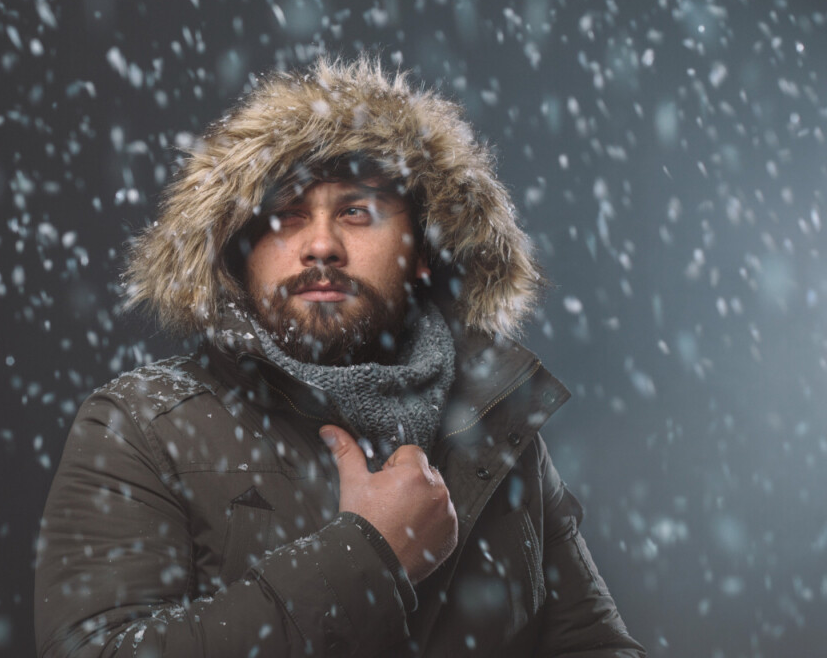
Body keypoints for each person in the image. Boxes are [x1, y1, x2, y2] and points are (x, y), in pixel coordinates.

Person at [34, 57, 645, 656]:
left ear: (422, 250)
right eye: (285, 215)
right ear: (240, 255)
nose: (321, 245)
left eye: (358, 211)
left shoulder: (495, 425)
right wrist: (368, 556)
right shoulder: (139, 428)